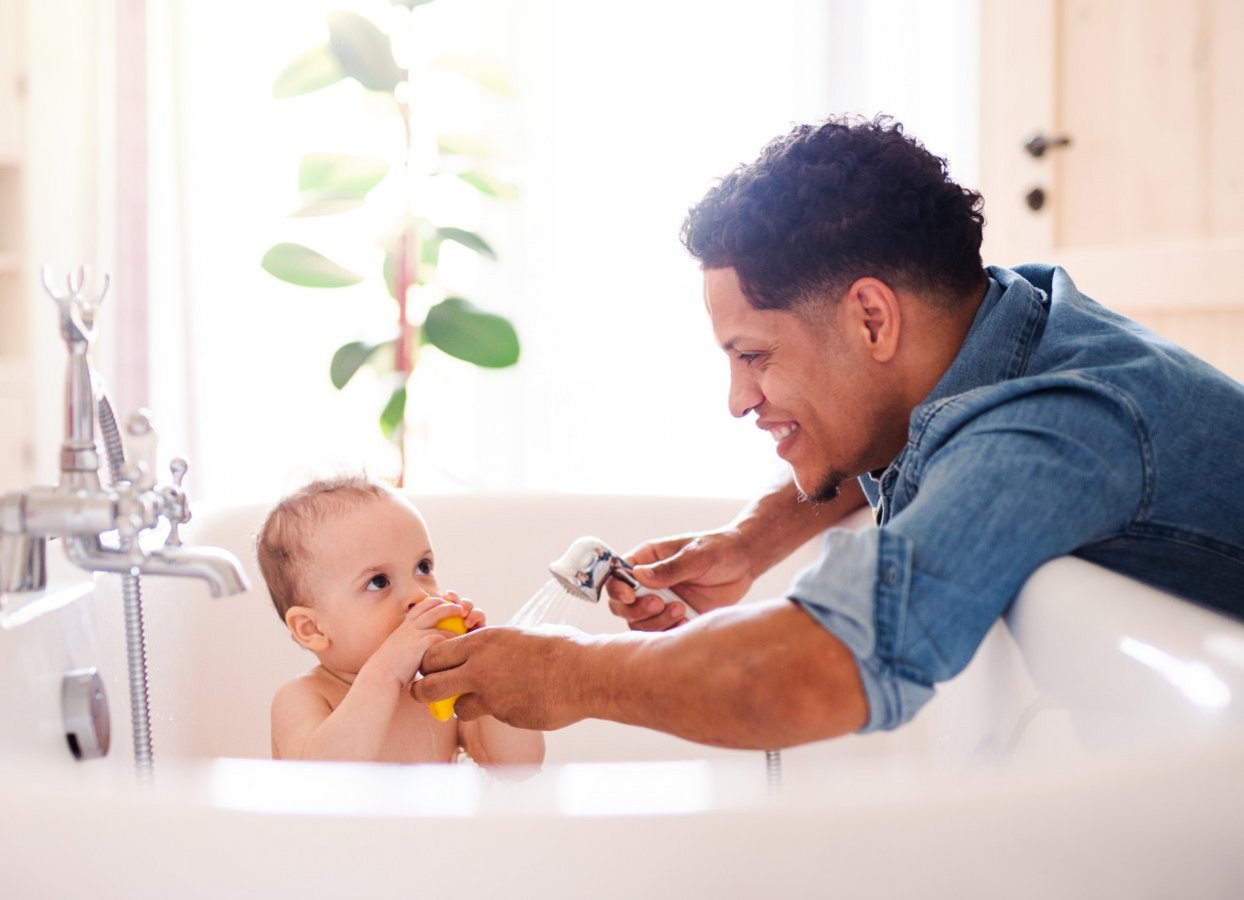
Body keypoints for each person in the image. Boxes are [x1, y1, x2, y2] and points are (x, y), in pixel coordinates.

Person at [411, 114, 1244, 748]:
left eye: (754, 355)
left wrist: (565, 674)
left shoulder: (1056, 425)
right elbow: (899, 426)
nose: (739, 400)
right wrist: (750, 542)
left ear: (872, 319)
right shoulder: (1000, 326)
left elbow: (812, 675)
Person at [259, 475, 544, 766]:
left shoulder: (437, 690)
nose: (418, 594)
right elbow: (320, 781)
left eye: (423, 567)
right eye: (378, 582)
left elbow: (518, 765)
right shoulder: (303, 697)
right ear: (313, 629)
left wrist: (484, 674)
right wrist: (385, 673)